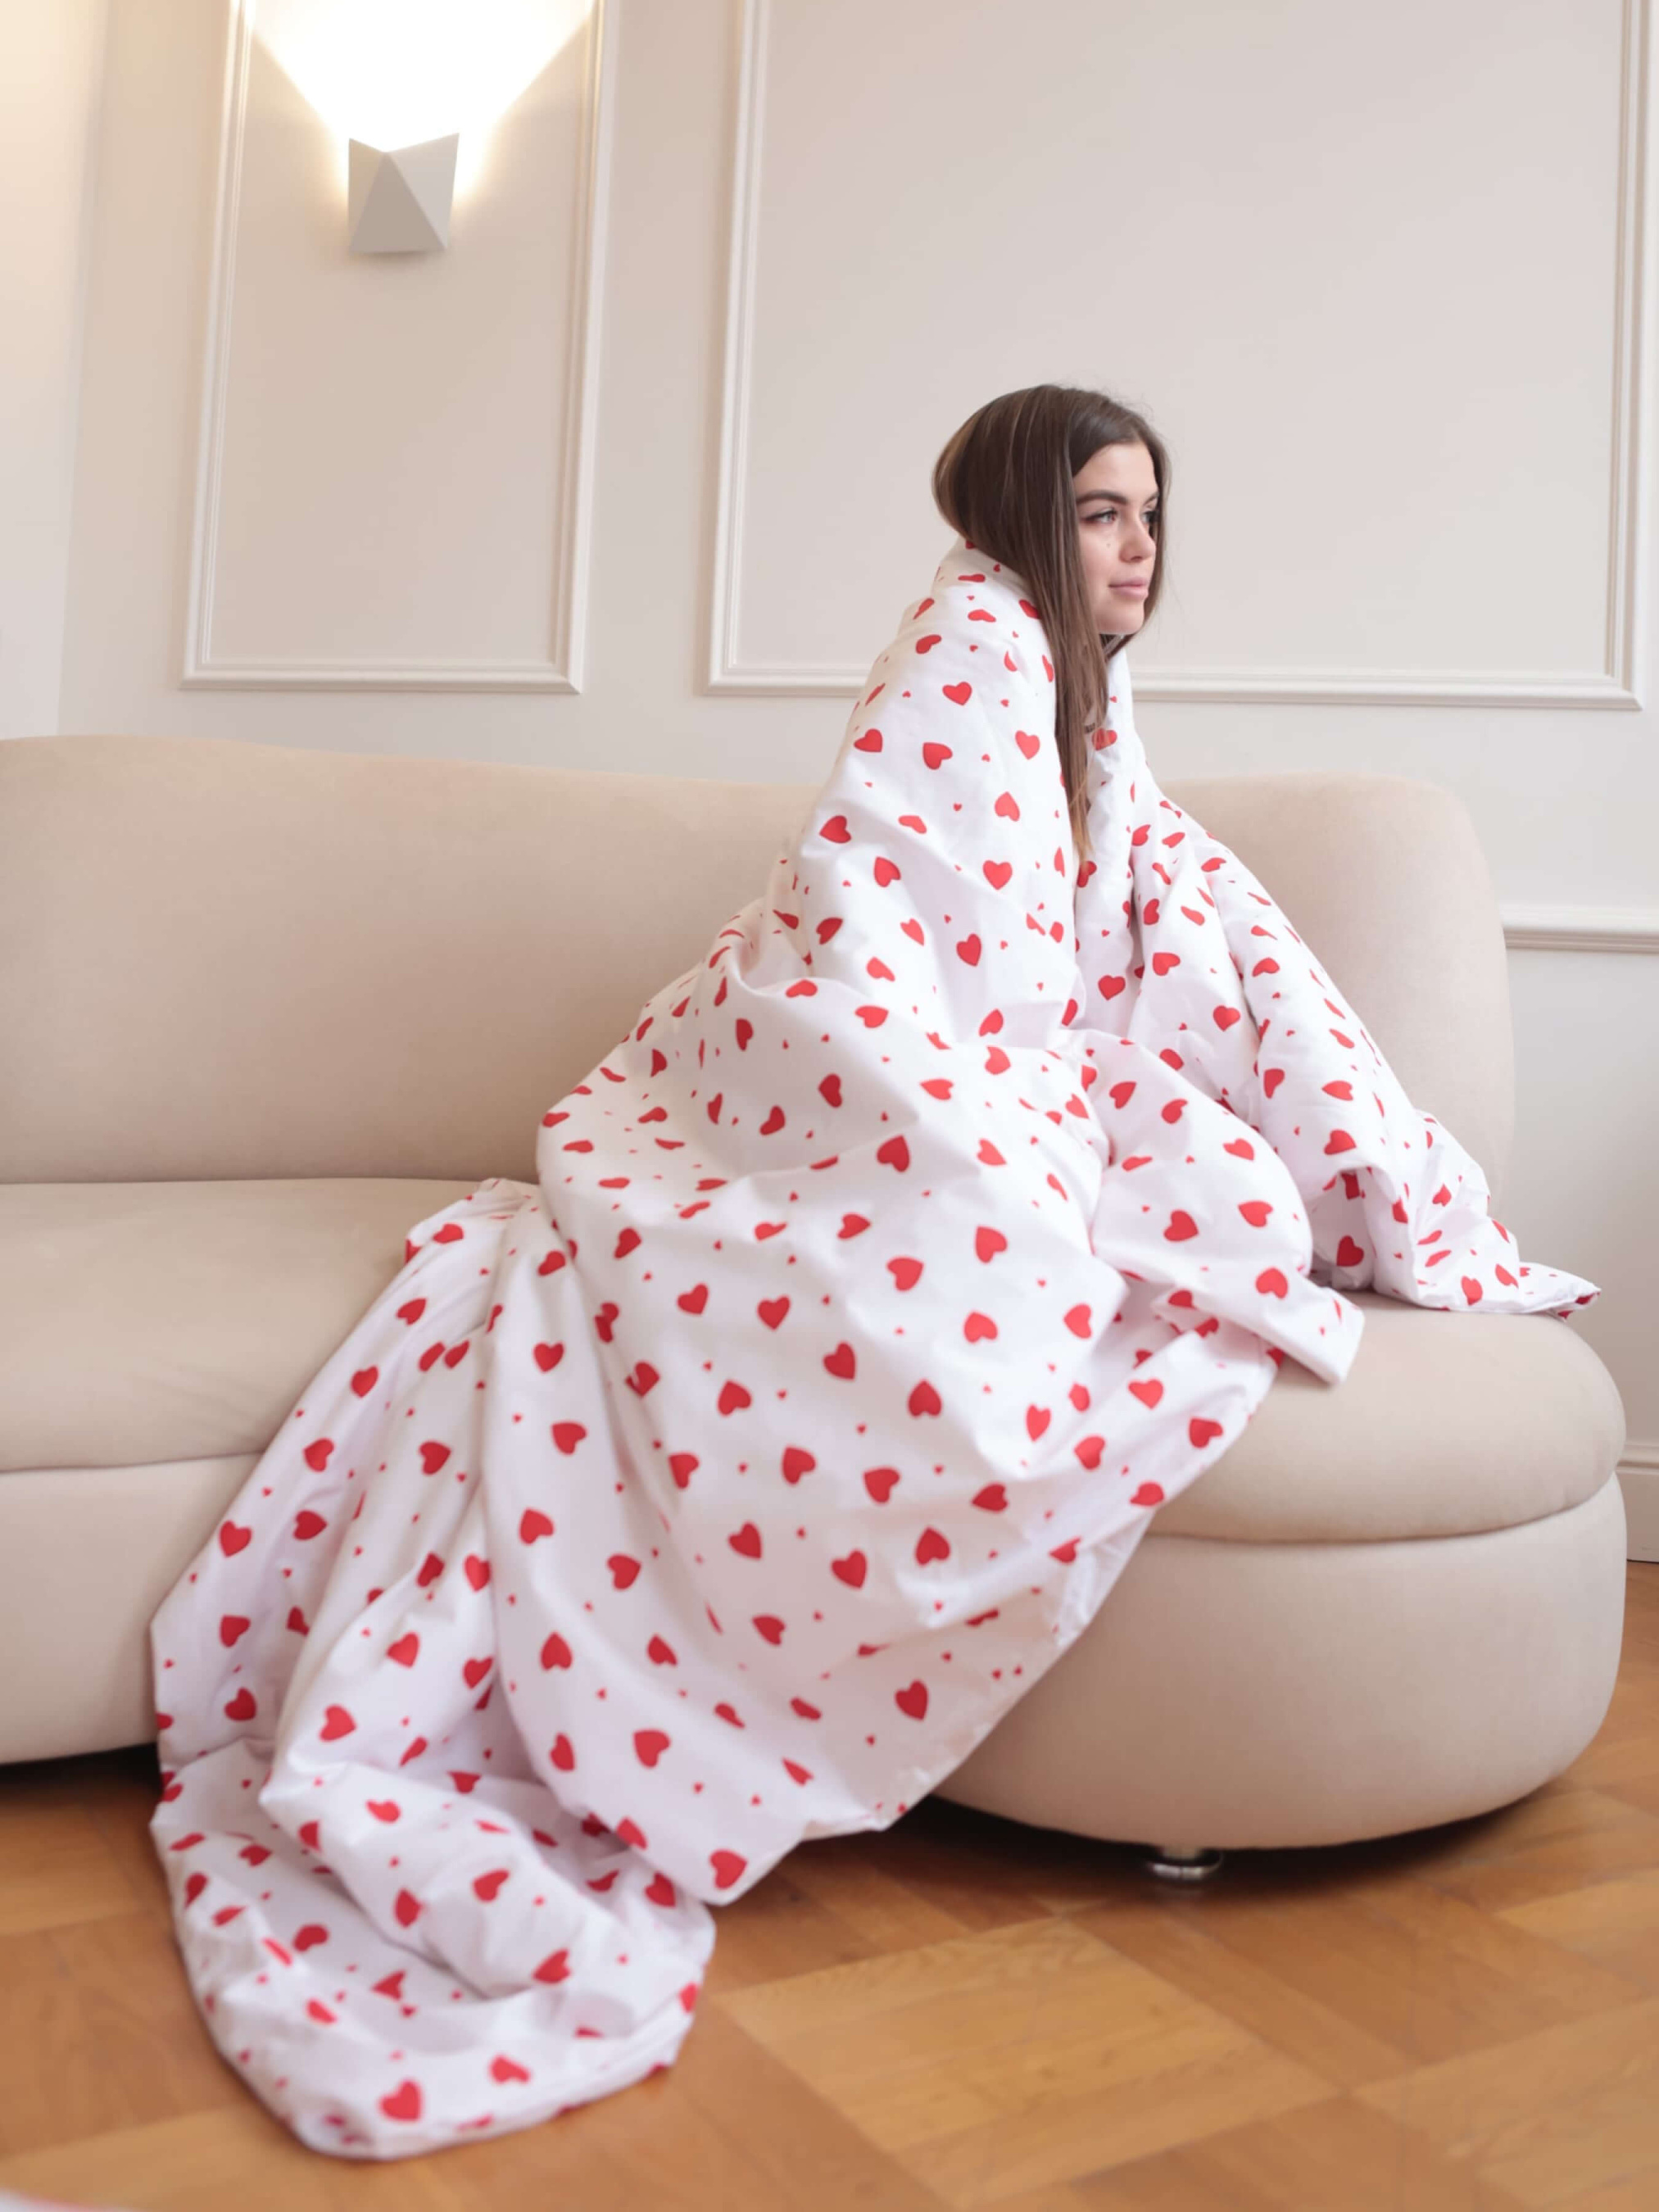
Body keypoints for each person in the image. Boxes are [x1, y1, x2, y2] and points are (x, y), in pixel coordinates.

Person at [148, 383, 1598, 2162]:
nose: (1138, 549)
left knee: (1146, 1150)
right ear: (1024, 516)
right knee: (977, 1243)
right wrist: (1010, 1097)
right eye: (1101, 514)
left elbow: (1109, 886)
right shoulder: (975, 643)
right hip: (840, 1035)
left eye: (1150, 514)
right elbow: (907, 891)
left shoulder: (1077, 676)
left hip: (965, 1025)